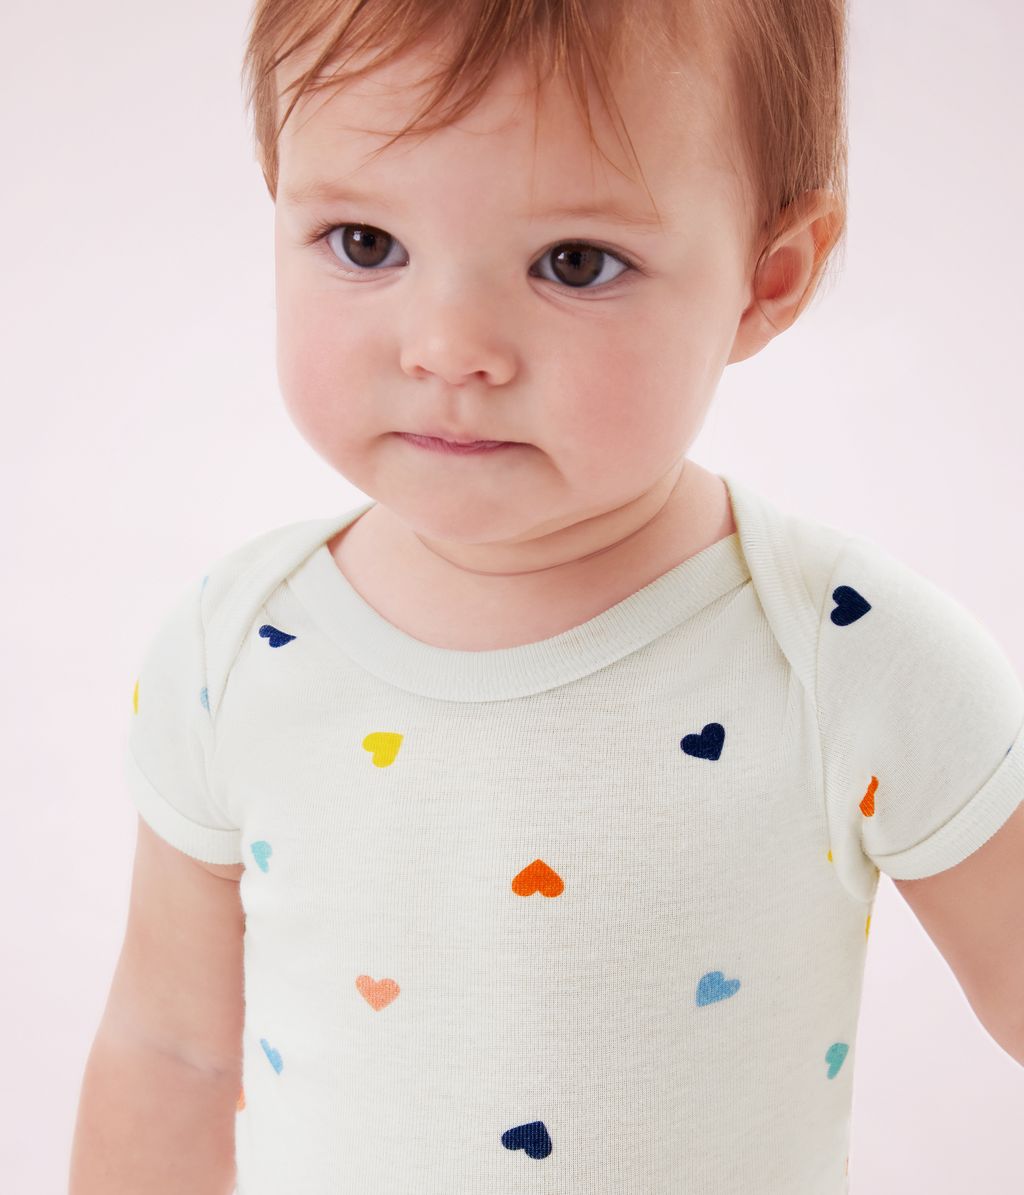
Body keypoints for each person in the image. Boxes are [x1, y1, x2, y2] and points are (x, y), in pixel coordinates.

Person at [69, 1, 1024, 1192]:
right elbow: (173, 1049)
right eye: (365, 242)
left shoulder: (846, 655)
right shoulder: (235, 647)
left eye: (574, 262)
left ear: (765, 277)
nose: (448, 346)